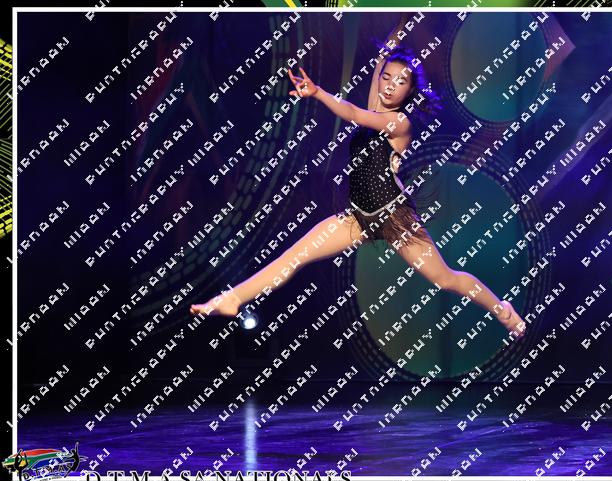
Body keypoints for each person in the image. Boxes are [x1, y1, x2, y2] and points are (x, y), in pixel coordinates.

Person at [190, 14, 526, 339]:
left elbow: (352, 112)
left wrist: (318, 93)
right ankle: (233, 298)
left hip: (395, 217)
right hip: (358, 217)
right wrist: (403, 20)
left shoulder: (399, 122)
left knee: (445, 279)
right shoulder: (377, 103)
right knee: (295, 256)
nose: (390, 85)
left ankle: (502, 310)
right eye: (387, 78)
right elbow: (382, 58)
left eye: (401, 82)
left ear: (411, 91)